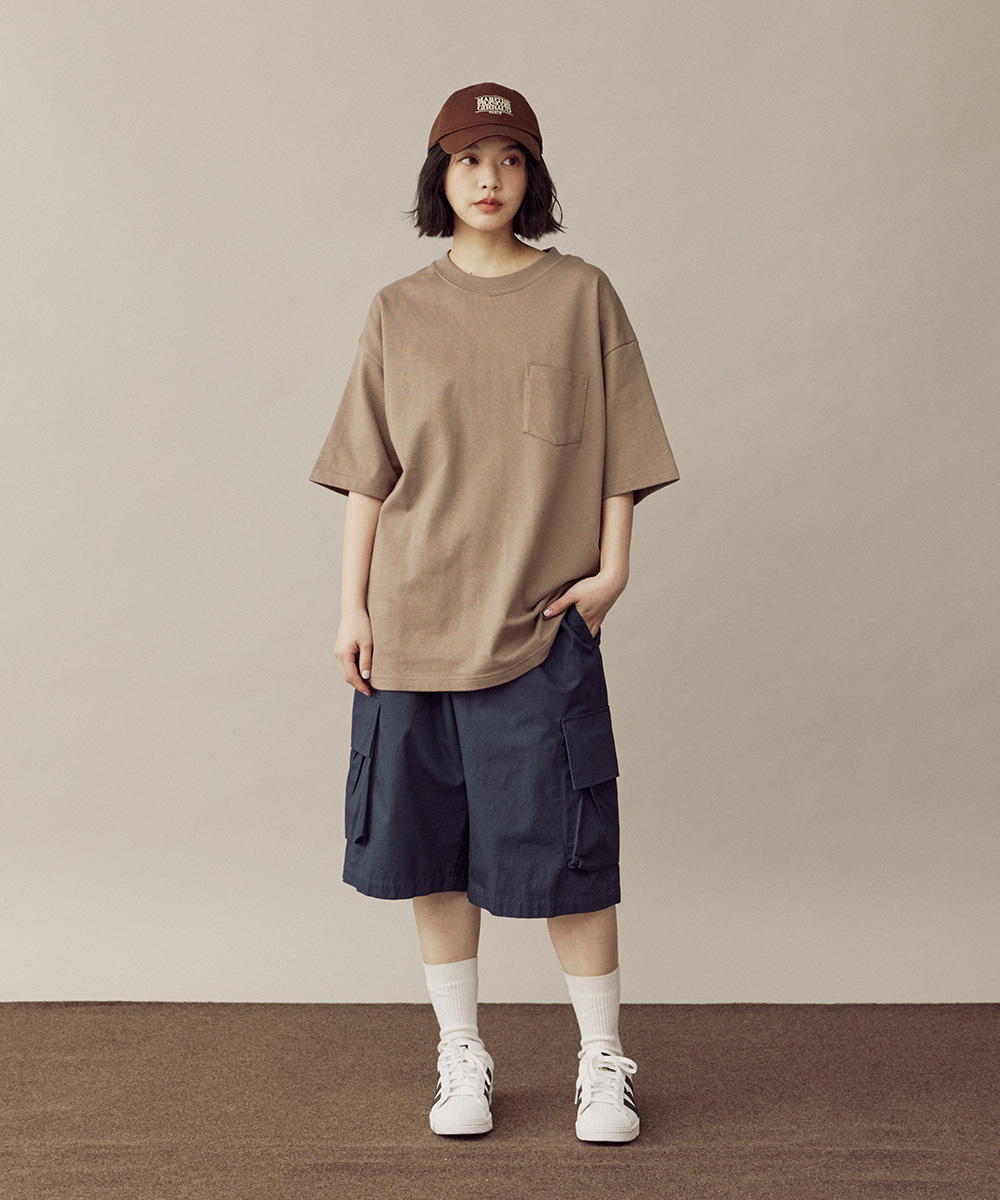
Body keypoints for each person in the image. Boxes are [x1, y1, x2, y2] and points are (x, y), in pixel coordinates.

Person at [308, 82, 679, 1144]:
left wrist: (612, 572)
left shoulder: (581, 296)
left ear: (533, 177)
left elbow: (624, 446)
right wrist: (351, 607)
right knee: (431, 853)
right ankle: (459, 1055)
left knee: (572, 855)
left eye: (510, 159)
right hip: (412, 623)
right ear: (441, 174)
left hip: (540, 624)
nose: (489, 178)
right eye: (469, 158)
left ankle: (601, 1062)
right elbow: (368, 475)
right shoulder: (398, 309)